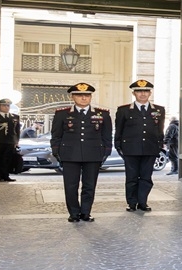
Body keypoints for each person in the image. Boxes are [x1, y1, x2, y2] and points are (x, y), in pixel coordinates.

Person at [51, 82, 112, 223]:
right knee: (71, 186)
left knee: (89, 185)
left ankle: (86, 212)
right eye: (80, 95)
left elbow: (107, 136)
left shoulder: (102, 114)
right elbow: (56, 135)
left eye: (87, 95)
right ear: (72, 97)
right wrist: (56, 151)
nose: (84, 98)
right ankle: (73, 213)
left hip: (93, 154)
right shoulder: (62, 114)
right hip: (70, 155)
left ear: (90, 97)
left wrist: (106, 152)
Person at [115, 79, 165, 212]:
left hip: (150, 148)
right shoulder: (124, 110)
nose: (142, 94)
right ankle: (131, 203)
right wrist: (118, 146)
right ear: (134, 93)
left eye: (146, 91)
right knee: (131, 177)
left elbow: (160, 130)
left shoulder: (159, 110)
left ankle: (143, 202)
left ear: (150, 93)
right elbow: (119, 129)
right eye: (139, 91)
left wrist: (159, 145)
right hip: (130, 149)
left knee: (146, 177)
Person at [0, 98, 21, 182]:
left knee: (7, 159)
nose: (6, 107)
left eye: (8, 106)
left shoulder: (15, 117)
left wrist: (16, 141)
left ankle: (6, 175)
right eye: (4, 105)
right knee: (0, 159)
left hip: (10, 142)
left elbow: (17, 131)